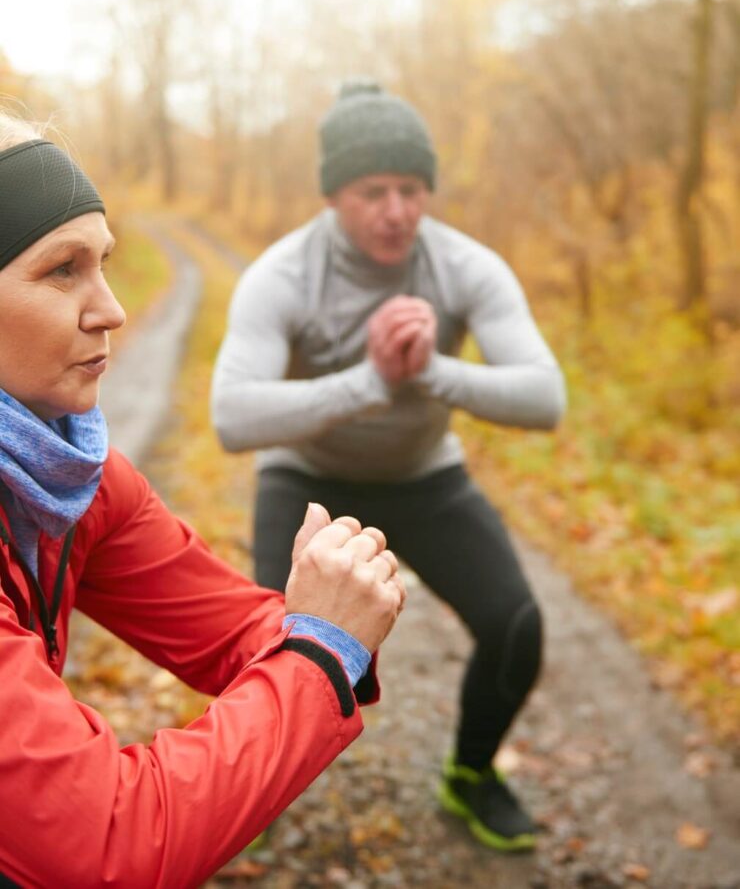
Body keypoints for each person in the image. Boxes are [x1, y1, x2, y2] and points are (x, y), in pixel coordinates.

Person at [0, 110, 406, 889]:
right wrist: (323, 649)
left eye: (105, 264)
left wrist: (324, 623)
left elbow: (237, 631)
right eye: (62, 270)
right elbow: (102, 846)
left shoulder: (68, 473)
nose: (110, 308)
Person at [211, 80, 567, 852]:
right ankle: (245, 798)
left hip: (424, 475)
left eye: (411, 189)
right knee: (266, 642)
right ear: (335, 195)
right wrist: (369, 383)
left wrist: (430, 372)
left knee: (517, 625)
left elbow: (546, 397)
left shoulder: (466, 266)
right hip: (309, 479)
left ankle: (472, 776)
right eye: (373, 191)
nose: (397, 210)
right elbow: (232, 415)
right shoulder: (284, 275)